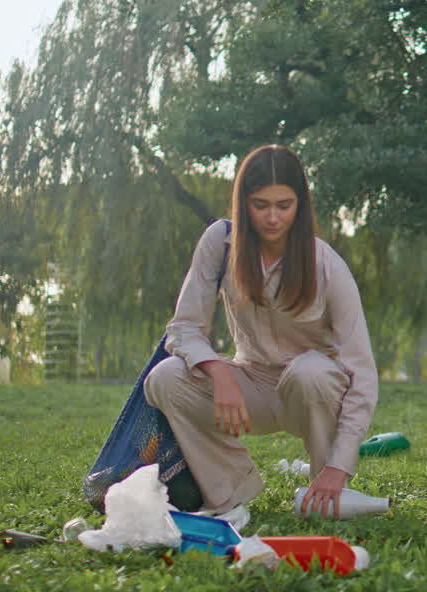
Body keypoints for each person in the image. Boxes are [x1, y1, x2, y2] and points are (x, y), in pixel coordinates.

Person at [144, 144, 378, 523]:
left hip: (312, 395)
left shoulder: (326, 264)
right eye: (260, 205)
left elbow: (362, 373)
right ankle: (230, 494)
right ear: (243, 203)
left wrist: (340, 465)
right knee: (165, 377)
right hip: (248, 388)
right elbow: (185, 328)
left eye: (284, 205)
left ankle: (326, 488)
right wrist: (219, 373)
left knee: (312, 371)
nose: (272, 218)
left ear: (300, 204)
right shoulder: (220, 243)